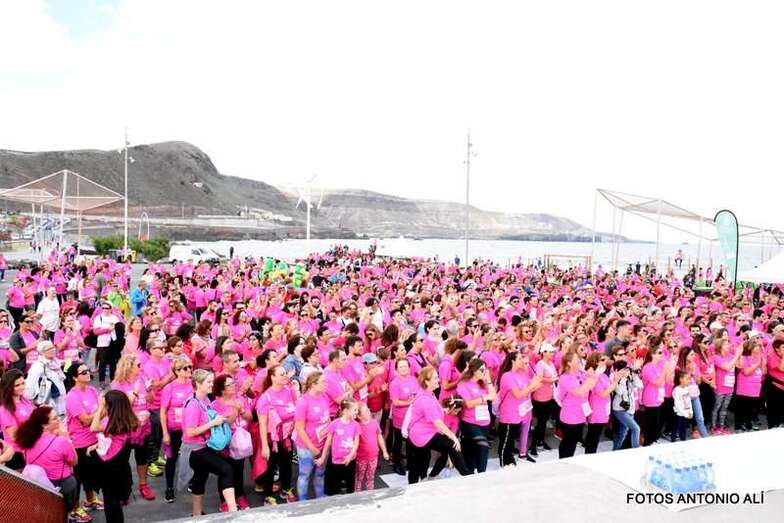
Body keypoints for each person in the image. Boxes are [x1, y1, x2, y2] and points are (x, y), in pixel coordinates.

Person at [17, 405, 88, 523]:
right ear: (44, 425)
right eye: (55, 418)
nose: (59, 420)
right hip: (62, 484)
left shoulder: (28, 440)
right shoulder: (60, 441)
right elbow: (74, 461)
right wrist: (66, 437)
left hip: (39, 485)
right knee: (62, 513)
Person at [182, 369, 238, 516]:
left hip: (204, 446)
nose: (212, 384)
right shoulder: (193, 405)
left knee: (200, 479)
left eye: (212, 381)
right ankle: (233, 511)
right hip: (195, 449)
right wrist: (212, 423)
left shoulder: (205, 400)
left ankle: (196, 514)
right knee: (226, 469)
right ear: (198, 384)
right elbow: (190, 432)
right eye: (208, 382)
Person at [405, 367, 470, 484]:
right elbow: (438, 423)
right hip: (421, 435)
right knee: (450, 445)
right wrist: (453, 436)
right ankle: (467, 475)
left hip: (425, 432)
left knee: (418, 463)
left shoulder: (429, 393)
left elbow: (433, 411)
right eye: (435, 378)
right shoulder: (425, 399)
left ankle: (465, 474)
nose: (438, 380)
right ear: (426, 382)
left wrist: (444, 410)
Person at [111, 354, 156, 500]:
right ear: (128, 366)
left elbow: (151, 400)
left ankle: (143, 485)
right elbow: (121, 406)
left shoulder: (142, 379)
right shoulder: (118, 384)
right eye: (138, 365)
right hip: (126, 429)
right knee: (123, 460)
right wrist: (135, 392)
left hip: (143, 427)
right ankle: (125, 489)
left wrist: (149, 390)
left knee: (142, 457)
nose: (140, 368)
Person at [89, 390, 137, 523]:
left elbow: (93, 428)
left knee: (110, 503)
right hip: (121, 465)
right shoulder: (126, 421)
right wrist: (97, 445)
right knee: (115, 502)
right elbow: (113, 439)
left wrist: (99, 408)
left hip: (110, 466)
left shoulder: (110, 423)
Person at [255, 364, 297, 505]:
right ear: (272, 377)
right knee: (270, 468)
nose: (285, 376)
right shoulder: (265, 398)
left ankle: (286, 489)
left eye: (285, 373)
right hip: (271, 439)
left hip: (286, 437)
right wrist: (265, 446)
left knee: (287, 465)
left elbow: (296, 408)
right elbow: (262, 424)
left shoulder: (289, 391)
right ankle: (268, 496)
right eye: (281, 374)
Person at [65, 362, 103, 513]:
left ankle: (90, 500)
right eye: (83, 372)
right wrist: (101, 411)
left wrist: (99, 413)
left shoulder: (92, 390)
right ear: (75, 377)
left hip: (94, 439)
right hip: (80, 443)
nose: (88, 373)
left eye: (87, 370)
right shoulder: (72, 396)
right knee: (78, 477)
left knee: (91, 475)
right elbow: (86, 420)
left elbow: (99, 412)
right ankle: (75, 508)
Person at [496, 351, 541, 466]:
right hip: (508, 414)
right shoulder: (507, 376)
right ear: (513, 361)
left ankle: (510, 460)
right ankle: (504, 462)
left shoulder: (521, 374)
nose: (522, 361)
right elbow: (518, 394)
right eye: (520, 359)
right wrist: (532, 385)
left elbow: (528, 389)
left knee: (510, 440)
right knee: (506, 441)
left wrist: (535, 383)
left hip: (518, 413)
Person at [159, 355, 193, 503]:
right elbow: (163, 411)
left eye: (190, 367)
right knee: (172, 459)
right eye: (185, 368)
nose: (189, 370)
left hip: (190, 429)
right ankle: (169, 487)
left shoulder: (193, 385)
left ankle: (192, 481)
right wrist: (165, 432)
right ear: (177, 371)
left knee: (191, 457)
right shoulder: (170, 387)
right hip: (174, 428)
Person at [293, 372, 330, 500]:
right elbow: (299, 428)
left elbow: (327, 419)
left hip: (322, 444)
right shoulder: (303, 402)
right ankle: (303, 501)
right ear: (313, 384)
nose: (326, 384)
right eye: (323, 382)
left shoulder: (324, 396)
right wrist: (312, 447)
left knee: (320, 473)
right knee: (305, 475)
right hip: (306, 447)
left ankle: (320, 497)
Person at [455, 358, 496, 473]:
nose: (484, 372)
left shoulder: (483, 383)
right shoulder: (464, 384)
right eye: (482, 370)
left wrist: (488, 381)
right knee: (483, 446)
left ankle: (472, 473)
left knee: (473, 450)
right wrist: (484, 398)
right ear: (474, 371)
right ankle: (481, 474)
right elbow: (468, 403)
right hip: (470, 422)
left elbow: (494, 396)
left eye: (485, 370)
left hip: (484, 422)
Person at [558, 350, 600, 458]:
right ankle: (563, 461)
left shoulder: (579, 373)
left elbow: (590, 386)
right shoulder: (565, 377)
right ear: (569, 363)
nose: (579, 360)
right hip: (570, 416)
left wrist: (594, 376)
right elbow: (579, 391)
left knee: (573, 442)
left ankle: (568, 459)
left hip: (580, 414)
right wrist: (592, 377)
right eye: (576, 359)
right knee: (568, 442)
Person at [320, 399, 360, 496]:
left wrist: (350, 455)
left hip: (350, 461)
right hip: (336, 462)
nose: (357, 412)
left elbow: (356, 442)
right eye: (355, 410)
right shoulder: (334, 424)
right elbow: (328, 442)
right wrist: (322, 458)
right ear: (346, 411)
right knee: (334, 487)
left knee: (349, 487)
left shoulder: (356, 425)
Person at [584, 352, 621, 454]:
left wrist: (615, 380)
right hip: (597, 408)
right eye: (602, 360)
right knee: (593, 435)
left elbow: (610, 388)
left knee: (596, 435)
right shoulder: (594, 376)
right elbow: (603, 393)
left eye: (606, 360)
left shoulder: (604, 375)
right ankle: (589, 455)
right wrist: (615, 383)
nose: (605, 362)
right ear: (595, 362)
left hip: (604, 408)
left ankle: (591, 454)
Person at [641, 338, 675, 446]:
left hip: (659, 397)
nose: (662, 355)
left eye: (662, 352)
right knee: (651, 423)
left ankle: (653, 439)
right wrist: (665, 370)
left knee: (658, 422)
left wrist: (671, 367)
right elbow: (658, 382)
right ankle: (648, 442)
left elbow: (668, 380)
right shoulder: (647, 367)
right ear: (653, 355)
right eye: (659, 353)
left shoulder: (661, 365)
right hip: (650, 397)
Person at [0, 368, 36, 470]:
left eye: (23, 383)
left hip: (32, 448)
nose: (22, 387)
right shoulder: (4, 409)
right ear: (8, 387)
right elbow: (15, 436)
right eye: (17, 385)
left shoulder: (24, 400)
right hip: (18, 454)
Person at [388, 358, 418, 475]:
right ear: (396, 369)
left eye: (405, 366)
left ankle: (410, 463)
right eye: (401, 367)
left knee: (411, 440)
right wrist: (409, 402)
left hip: (412, 416)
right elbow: (395, 402)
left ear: (409, 367)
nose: (404, 368)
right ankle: (397, 464)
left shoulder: (414, 380)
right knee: (399, 442)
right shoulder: (395, 383)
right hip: (400, 417)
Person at [24, 340, 67, 415]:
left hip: (60, 397)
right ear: (42, 352)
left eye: (53, 347)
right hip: (48, 399)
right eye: (49, 349)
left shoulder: (56, 362)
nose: (53, 350)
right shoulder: (38, 365)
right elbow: (30, 384)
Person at [354, 403, 388, 491]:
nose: (369, 411)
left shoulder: (374, 422)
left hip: (373, 457)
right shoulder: (357, 426)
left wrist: (384, 451)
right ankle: (357, 493)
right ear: (359, 416)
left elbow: (379, 436)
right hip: (361, 459)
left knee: (370, 477)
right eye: (366, 411)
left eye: (368, 409)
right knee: (359, 478)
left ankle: (371, 493)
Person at [711, 338, 741, 434]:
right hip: (720, 387)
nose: (728, 346)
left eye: (728, 344)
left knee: (725, 408)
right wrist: (737, 356)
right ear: (720, 346)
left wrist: (739, 354)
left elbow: (740, 366)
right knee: (717, 407)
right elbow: (727, 367)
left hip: (730, 386)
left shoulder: (731, 356)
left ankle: (722, 426)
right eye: (726, 344)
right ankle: (713, 427)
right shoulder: (716, 357)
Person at [611, 360, 641, 450]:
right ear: (617, 370)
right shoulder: (615, 378)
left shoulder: (630, 377)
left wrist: (634, 374)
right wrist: (623, 378)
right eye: (624, 369)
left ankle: (615, 451)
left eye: (627, 369)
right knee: (636, 429)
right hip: (619, 409)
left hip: (630, 408)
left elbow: (639, 385)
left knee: (622, 433)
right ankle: (636, 450)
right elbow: (620, 391)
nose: (627, 371)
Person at [93, 301, 120, 387]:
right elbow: (96, 331)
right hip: (102, 343)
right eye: (103, 308)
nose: (104, 310)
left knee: (113, 362)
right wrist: (107, 330)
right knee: (102, 362)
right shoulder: (98, 318)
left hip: (112, 342)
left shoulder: (115, 318)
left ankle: (113, 380)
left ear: (111, 309)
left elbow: (119, 329)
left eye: (107, 308)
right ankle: (102, 381)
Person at [671, 371, 693, 441]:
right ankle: (673, 440)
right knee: (676, 427)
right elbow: (677, 404)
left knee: (684, 428)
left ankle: (683, 439)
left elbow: (688, 401)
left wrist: (690, 412)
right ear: (681, 379)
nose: (689, 380)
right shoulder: (677, 390)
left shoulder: (687, 388)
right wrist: (685, 414)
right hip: (679, 413)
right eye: (687, 378)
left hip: (686, 413)